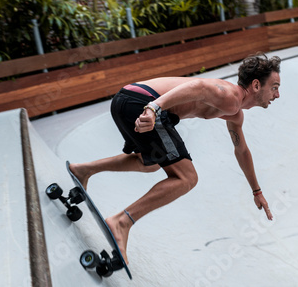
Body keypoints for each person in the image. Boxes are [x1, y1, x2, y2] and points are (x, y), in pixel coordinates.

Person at [69, 52, 281, 264]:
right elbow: (198, 86)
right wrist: (153, 108)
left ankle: (84, 169)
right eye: (274, 87)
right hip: (144, 103)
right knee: (187, 178)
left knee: (150, 162)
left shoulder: (235, 112)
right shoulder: (229, 96)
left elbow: (241, 150)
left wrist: (257, 190)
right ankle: (121, 222)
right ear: (255, 85)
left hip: (126, 99)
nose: (277, 95)